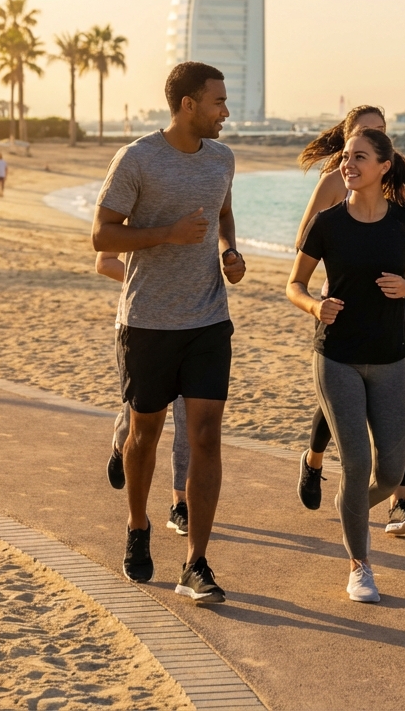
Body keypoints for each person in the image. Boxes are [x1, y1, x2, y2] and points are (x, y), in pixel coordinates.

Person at [91, 61, 246, 603]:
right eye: (218, 102)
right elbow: (101, 235)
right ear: (188, 105)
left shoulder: (222, 158)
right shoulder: (137, 159)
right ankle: (138, 524)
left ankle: (196, 563)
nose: (226, 111)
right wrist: (169, 235)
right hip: (147, 321)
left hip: (207, 319)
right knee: (144, 436)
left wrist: (228, 249)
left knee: (205, 436)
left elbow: (224, 213)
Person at [287, 127, 405, 602]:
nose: (349, 165)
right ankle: (360, 565)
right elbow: (295, 284)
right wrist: (315, 307)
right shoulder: (327, 224)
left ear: (384, 166)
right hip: (337, 357)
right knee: (356, 462)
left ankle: (350, 504)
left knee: (389, 474)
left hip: (392, 358)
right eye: (346, 157)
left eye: (360, 157)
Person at [97, 249, 191, 536]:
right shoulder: (136, 205)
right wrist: (155, 282)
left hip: (192, 326)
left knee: (188, 420)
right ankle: (119, 443)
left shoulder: (201, 205)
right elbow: (104, 262)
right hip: (141, 322)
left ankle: (180, 504)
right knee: (137, 419)